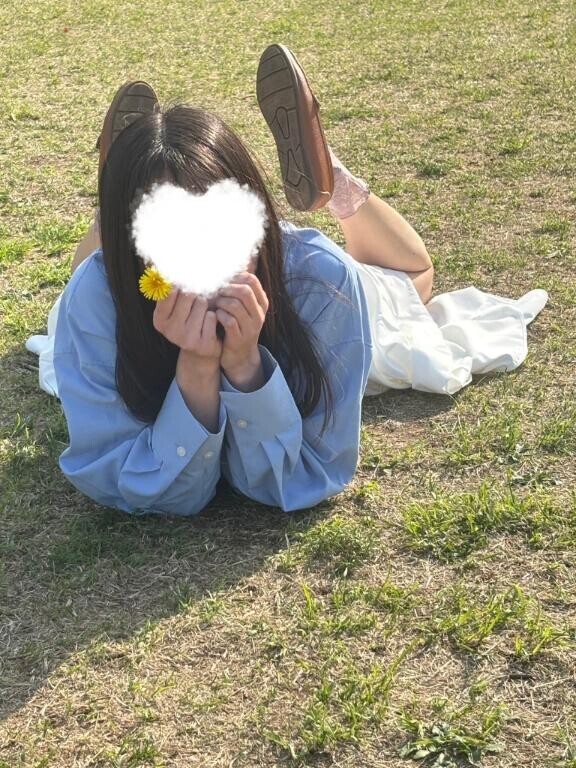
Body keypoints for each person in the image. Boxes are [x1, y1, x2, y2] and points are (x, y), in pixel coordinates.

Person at [40, 45, 546, 516]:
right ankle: (121, 195)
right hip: (120, 278)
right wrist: (196, 369)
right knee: (78, 299)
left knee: (412, 279)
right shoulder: (98, 296)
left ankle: (325, 178)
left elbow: (307, 475)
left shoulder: (321, 283)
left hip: (300, 283)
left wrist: (246, 366)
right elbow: (127, 480)